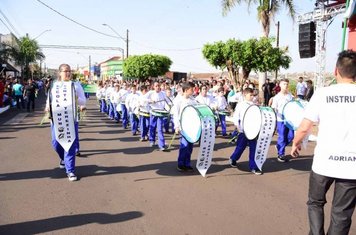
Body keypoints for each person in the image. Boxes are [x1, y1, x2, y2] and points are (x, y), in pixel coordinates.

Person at [291, 50, 356, 235]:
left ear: (336, 70)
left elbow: (304, 127)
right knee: (342, 214)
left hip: (324, 162)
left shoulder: (323, 94)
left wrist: (295, 143)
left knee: (315, 203)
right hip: (352, 166)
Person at [46, 64, 86, 181]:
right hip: (56, 119)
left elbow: (83, 100)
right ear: (60, 73)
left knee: (70, 144)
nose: (67, 73)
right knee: (56, 143)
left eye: (69, 71)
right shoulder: (54, 86)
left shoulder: (76, 85)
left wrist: (78, 101)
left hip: (71, 119)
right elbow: (50, 100)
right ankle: (63, 158)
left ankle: (70, 171)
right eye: (65, 71)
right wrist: (47, 107)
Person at [229, 88, 262, 175]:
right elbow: (236, 117)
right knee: (240, 147)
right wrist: (238, 127)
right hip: (243, 130)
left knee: (253, 148)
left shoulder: (254, 105)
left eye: (252, 95)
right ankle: (233, 158)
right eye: (250, 95)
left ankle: (253, 167)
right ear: (245, 95)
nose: (252, 97)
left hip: (253, 130)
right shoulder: (241, 105)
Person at [172, 82, 197, 172]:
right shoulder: (178, 101)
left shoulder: (193, 100)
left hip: (192, 127)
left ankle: (187, 163)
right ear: (186, 90)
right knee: (184, 145)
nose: (194, 91)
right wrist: (176, 126)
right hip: (183, 127)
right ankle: (181, 164)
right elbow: (175, 114)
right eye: (192, 89)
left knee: (190, 146)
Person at [271, 78, 294, 162]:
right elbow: (274, 109)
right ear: (280, 85)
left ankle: (279, 146)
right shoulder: (277, 97)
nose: (286, 85)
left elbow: (293, 106)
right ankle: (281, 154)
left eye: (287, 84)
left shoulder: (290, 95)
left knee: (291, 136)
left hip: (289, 120)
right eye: (284, 84)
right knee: (282, 137)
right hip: (280, 120)